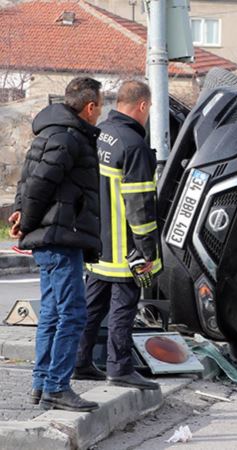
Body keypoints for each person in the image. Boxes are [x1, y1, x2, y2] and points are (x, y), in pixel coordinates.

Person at [9, 77, 103, 412]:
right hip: (61, 237)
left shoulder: (50, 131)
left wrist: (22, 213)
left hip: (56, 236)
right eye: (100, 106)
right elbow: (39, 184)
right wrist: (28, 221)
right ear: (90, 107)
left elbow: (27, 180)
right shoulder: (68, 136)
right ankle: (57, 387)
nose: (99, 113)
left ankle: (41, 383)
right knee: (73, 313)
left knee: (51, 312)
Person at [74, 80, 161, 390]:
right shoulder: (133, 145)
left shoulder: (101, 135)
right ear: (142, 106)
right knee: (123, 308)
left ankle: (79, 362)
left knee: (91, 308)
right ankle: (119, 368)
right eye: (149, 109)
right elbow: (140, 204)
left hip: (97, 245)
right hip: (125, 249)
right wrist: (148, 251)